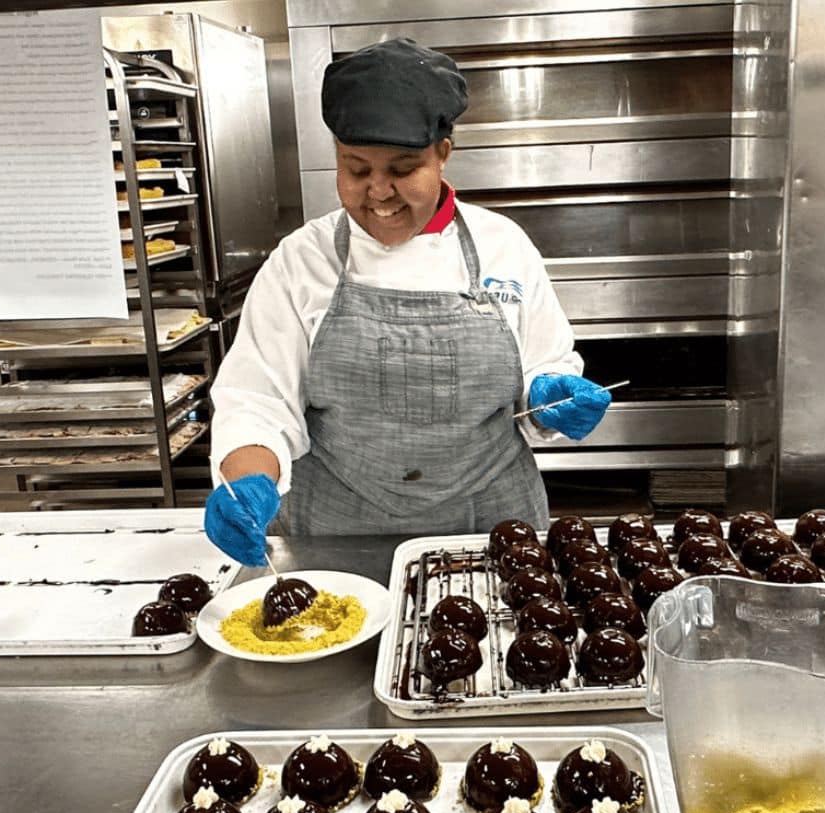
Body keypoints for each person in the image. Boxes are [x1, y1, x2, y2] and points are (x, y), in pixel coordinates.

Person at [204, 38, 611, 565]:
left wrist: (552, 393)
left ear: (444, 152)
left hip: (489, 529)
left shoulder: (503, 246)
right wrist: (246, 483)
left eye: (401, 170)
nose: (378, 191)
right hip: (337, 534)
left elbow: (539, 375)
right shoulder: (301, 261)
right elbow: (258, 402)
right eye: (355, 169)